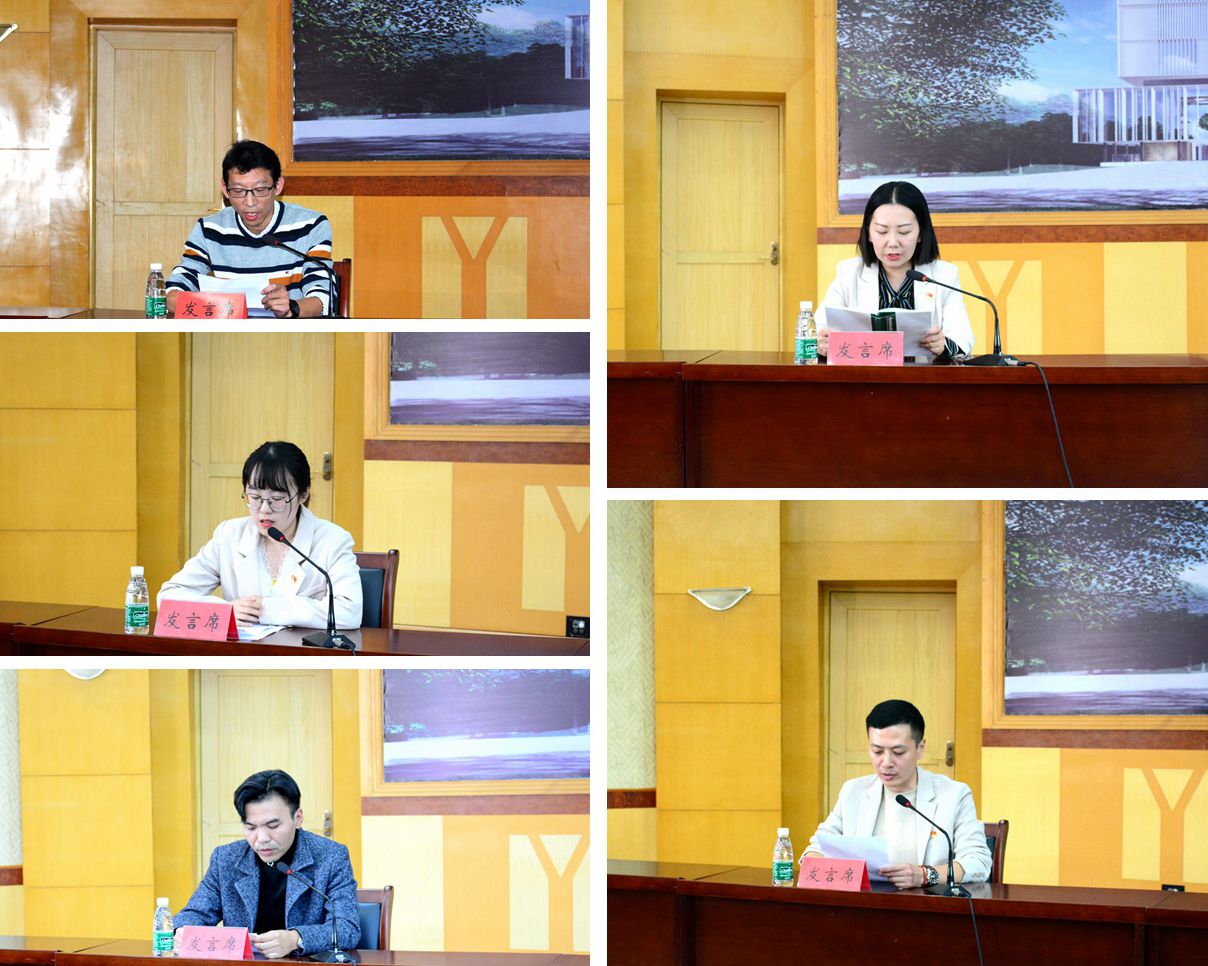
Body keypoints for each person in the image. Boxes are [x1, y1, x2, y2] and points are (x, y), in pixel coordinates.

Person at [158, 440, 362, 629]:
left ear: (302, 495)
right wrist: (225, 611)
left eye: (277, 499)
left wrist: (265, 610)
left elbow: (348, 612)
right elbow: (169, 597)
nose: (264, 509)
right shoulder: (229, 535)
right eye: (255, 497)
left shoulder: (333, 541)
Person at [803, 699, 991, 889]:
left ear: (920, 748)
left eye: (898, 752)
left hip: (927, 903)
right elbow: (816, 849)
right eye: (877, 751)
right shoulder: (853, 792)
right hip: (866, 902)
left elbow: (979, 862)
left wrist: (924, 875)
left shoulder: (954, 795)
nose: (886, 762)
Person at [175, 769, 360, 958]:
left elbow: (347, 928)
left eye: (273, 826)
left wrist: (296, 939)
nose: (262, 838)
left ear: (297, 818)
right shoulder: (225, 859)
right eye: (250, 827)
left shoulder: (331, 856)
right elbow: (194, 914)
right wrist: (180, 931)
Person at [165, 140, 333, 318]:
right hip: (228, 331)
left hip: (290, 331)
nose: (249, 202)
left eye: (260, 190)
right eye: (238, 191)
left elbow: (322, 299)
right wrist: (213, 306)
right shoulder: (209, 229)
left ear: (278, 185)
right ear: (225, 189)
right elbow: (175, 291)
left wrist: (291, 308)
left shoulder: (311, 225)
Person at [816, 181, 974, 361]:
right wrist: (822, 343)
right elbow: (817, 332)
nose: (892, 243)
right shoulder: (849, 273)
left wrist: (944, 344)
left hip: (924, 377)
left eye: (904, 232)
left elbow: (963, 340)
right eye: (882, 231)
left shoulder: (944, 275)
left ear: (921, 233)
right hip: (865, 376)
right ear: (868, 233)